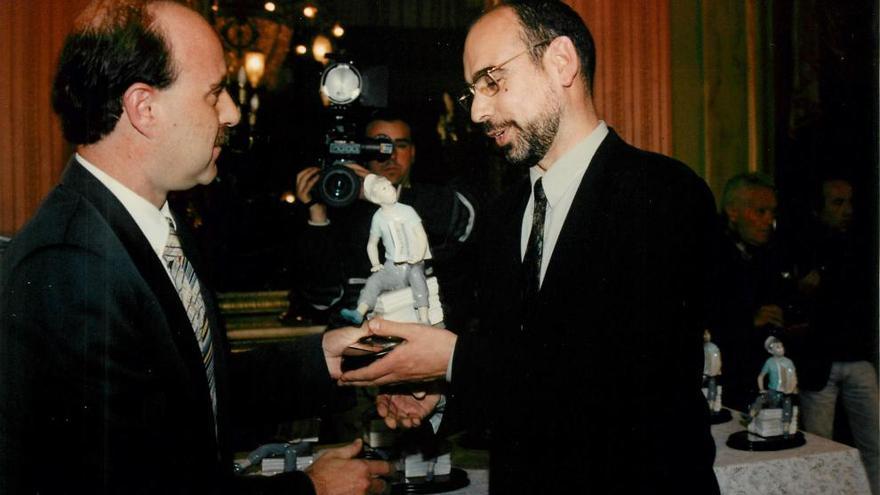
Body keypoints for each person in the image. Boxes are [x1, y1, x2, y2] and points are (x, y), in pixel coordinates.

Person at [0, 2, 389, 493]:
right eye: (213, 93)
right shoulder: (71, 265)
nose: (229, 112)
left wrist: (321, 358)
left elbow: (185, 393)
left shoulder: (148, 225)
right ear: (144, 109)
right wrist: (311, 488)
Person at [338, 1, 720, 492]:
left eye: (492, 80)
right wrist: (440, 394)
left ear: (561, 62)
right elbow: (518, 367)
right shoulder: (504, 215)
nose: (477, 111)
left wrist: (455, 362)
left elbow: (624, 385)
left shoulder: (664, 193)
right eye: (473, 90)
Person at [292, 111, 477, 331]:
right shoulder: (342, 214)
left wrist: (382, 193)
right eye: (378, 146)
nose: (389, 156)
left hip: (425, 343)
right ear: (363, 153)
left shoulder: (429, 202)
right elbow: (322, 300)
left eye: (399, 145)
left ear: (413, 152)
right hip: (360, 347)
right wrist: (317, 216)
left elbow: (466, 220)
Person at [794, 178, 878, 493]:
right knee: (820, 448)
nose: (847, 211)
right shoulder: (804, 244)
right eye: (837, 203)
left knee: (874, 443)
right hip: (821, 361)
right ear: (819, 208)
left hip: (858, 357)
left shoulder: (861, 246)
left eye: (849, 203)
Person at [709, 172, 800, 410]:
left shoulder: (770, 253)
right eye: (761, 212)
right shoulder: (710, 254)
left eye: (772, 212)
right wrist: (750, 320)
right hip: (727, 378)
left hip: (764, 372)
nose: (768, 220)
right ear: (733, 211)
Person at [339, 174, 432, 325]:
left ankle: (424, 318)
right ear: (376, 199)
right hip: (392, 267)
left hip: (412, 263)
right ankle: (359, 312)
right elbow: (372, 244)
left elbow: (421, 236)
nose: (391, 189)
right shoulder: (378, 218)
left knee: (417, 279)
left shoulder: (408, 211)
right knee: (374, 281)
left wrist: (418, 255)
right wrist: (375, 263)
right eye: (384, 188)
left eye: (389, 185)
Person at [750, 337, 798, 437]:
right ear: (770, 351)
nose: (781, 349)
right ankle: (753, 413)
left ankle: (786, 424)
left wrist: (792, 388)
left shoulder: (788, 362)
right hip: (772, 391)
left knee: (787, 403)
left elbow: (793, 377)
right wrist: (761, 389)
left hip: (785, 392)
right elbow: (761, 376)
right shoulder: (769, 362)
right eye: (777, 347)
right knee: (761, 399)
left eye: (781, 346)